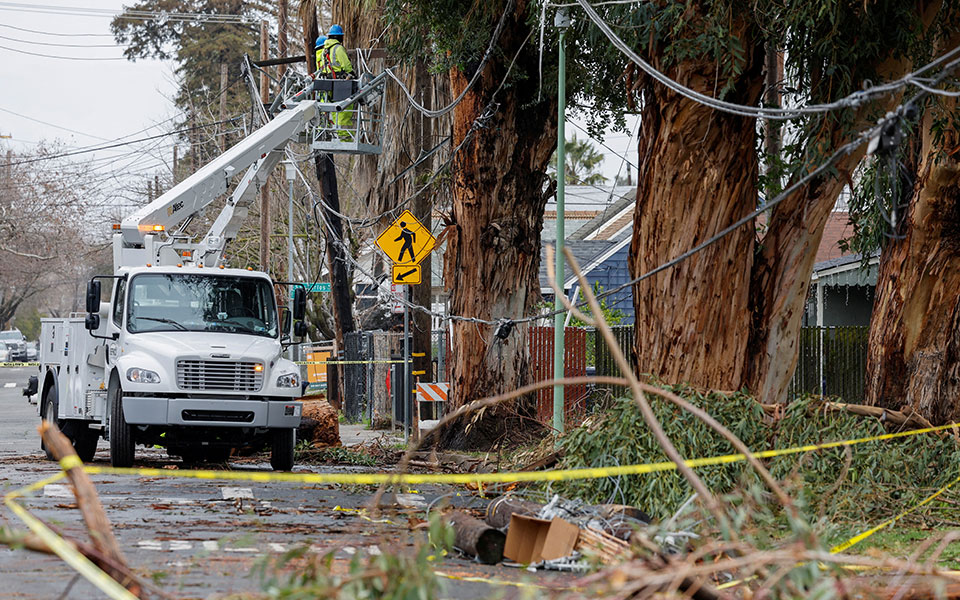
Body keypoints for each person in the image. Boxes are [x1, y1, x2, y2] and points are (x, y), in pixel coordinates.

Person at [317, 24, 355, 140]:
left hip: (329, 83)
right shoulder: (338, 48)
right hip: (341, 83)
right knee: (345, 108)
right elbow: (346, 64)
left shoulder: (325, 50)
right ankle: (345, 136)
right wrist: (352, 73)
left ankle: (339, 133)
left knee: (333, 109)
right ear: (339, 37)